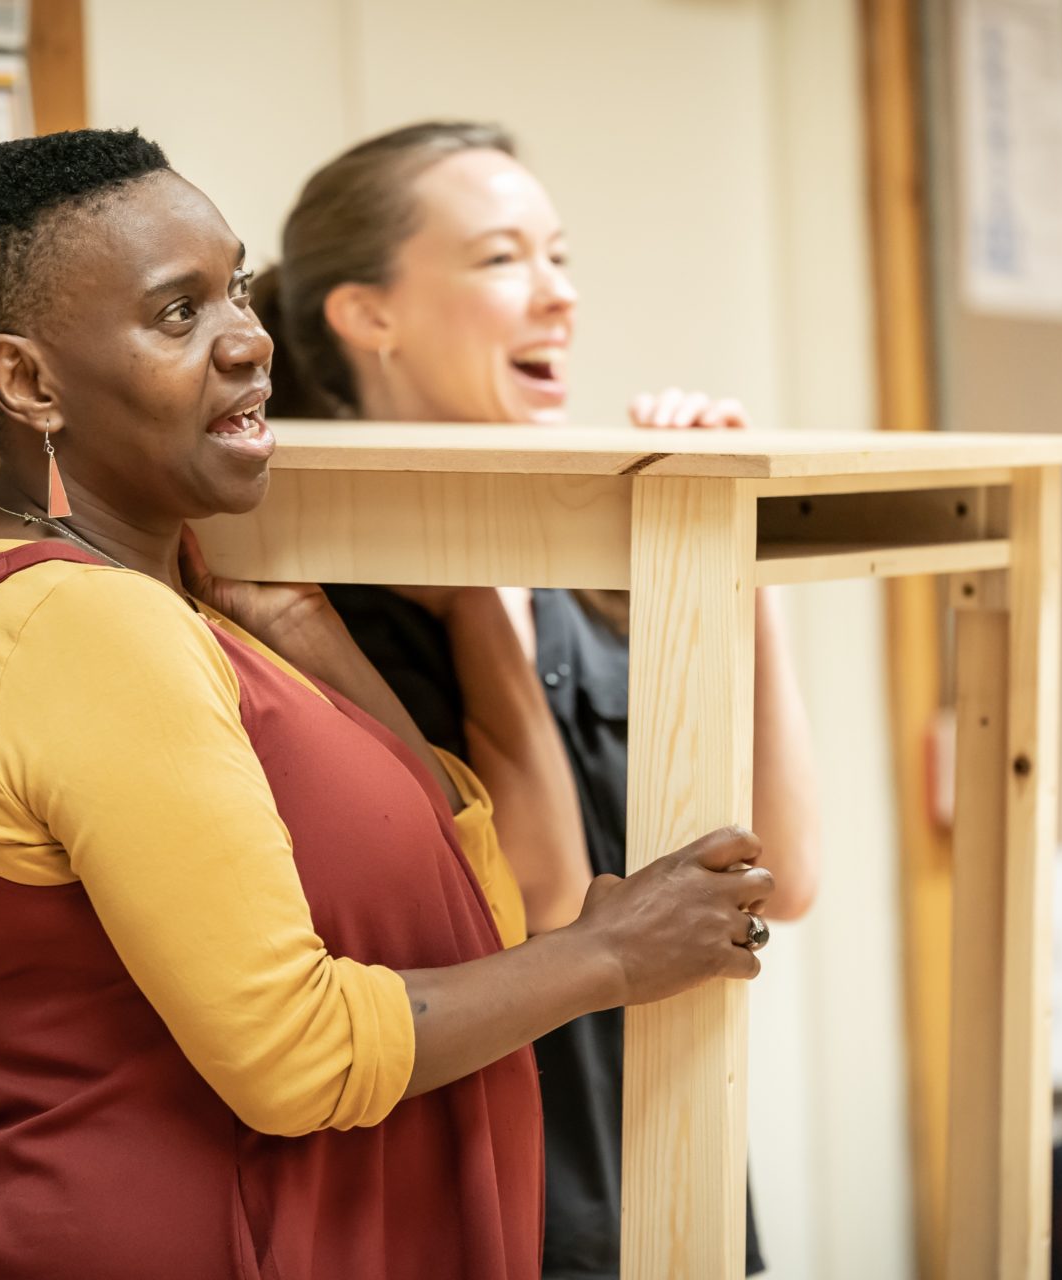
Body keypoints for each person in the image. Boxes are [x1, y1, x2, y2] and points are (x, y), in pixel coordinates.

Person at [0, 127, 777, 1280]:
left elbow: (462, 885)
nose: (249, 340)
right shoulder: (79, 624)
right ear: (27, 380)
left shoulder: (178, 603)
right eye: (180, 314)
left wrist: (306, 632)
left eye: (240, 288)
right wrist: (611, 954)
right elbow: (295, 1053)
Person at [255, 121, 823, 1279]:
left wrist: (730, 545)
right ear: (369, 315)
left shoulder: (601, 568)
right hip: (493, 1225)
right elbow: (545, 899)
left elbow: (787, 873)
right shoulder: (308, 611)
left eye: (560, 256)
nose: (558, 297)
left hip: (684, 1200)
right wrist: (475, 591)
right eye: (504, 258)